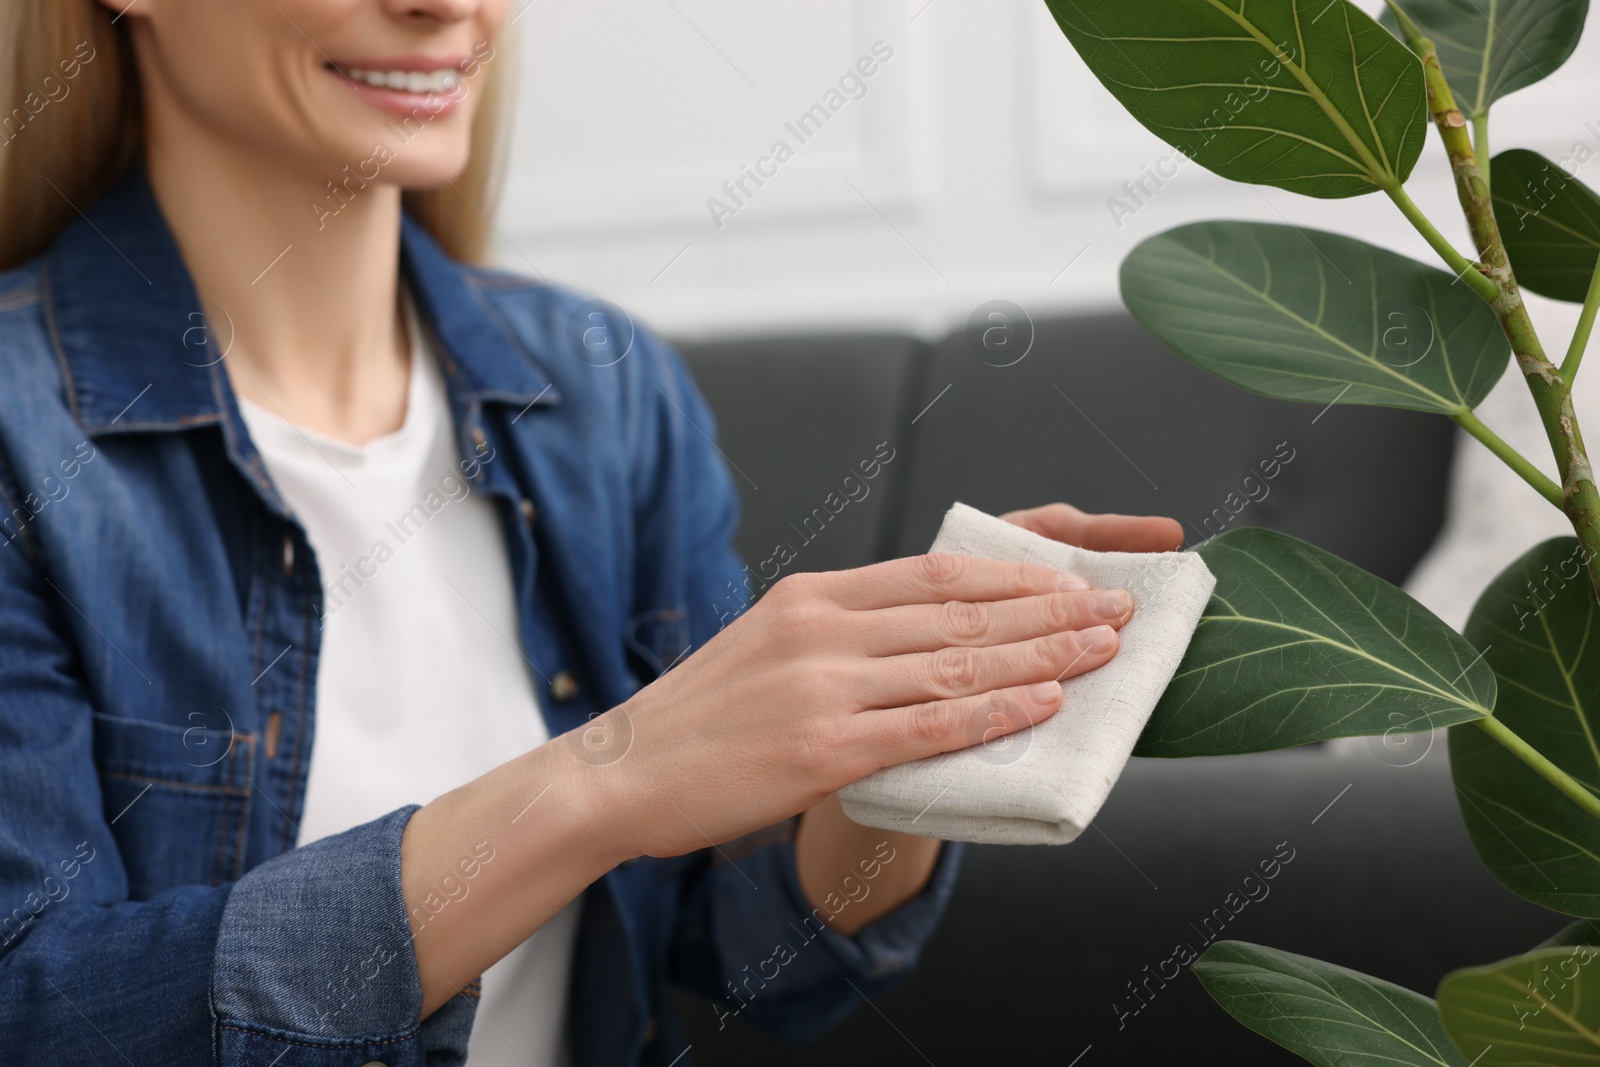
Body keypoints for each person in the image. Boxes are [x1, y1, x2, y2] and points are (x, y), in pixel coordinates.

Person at [0, 0, 1181, 1063]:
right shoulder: (21, 436)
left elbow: (748, 946)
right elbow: (38, 1012)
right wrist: (594, 785)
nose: (446, 7)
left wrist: (913, 742)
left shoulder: (604, 391)